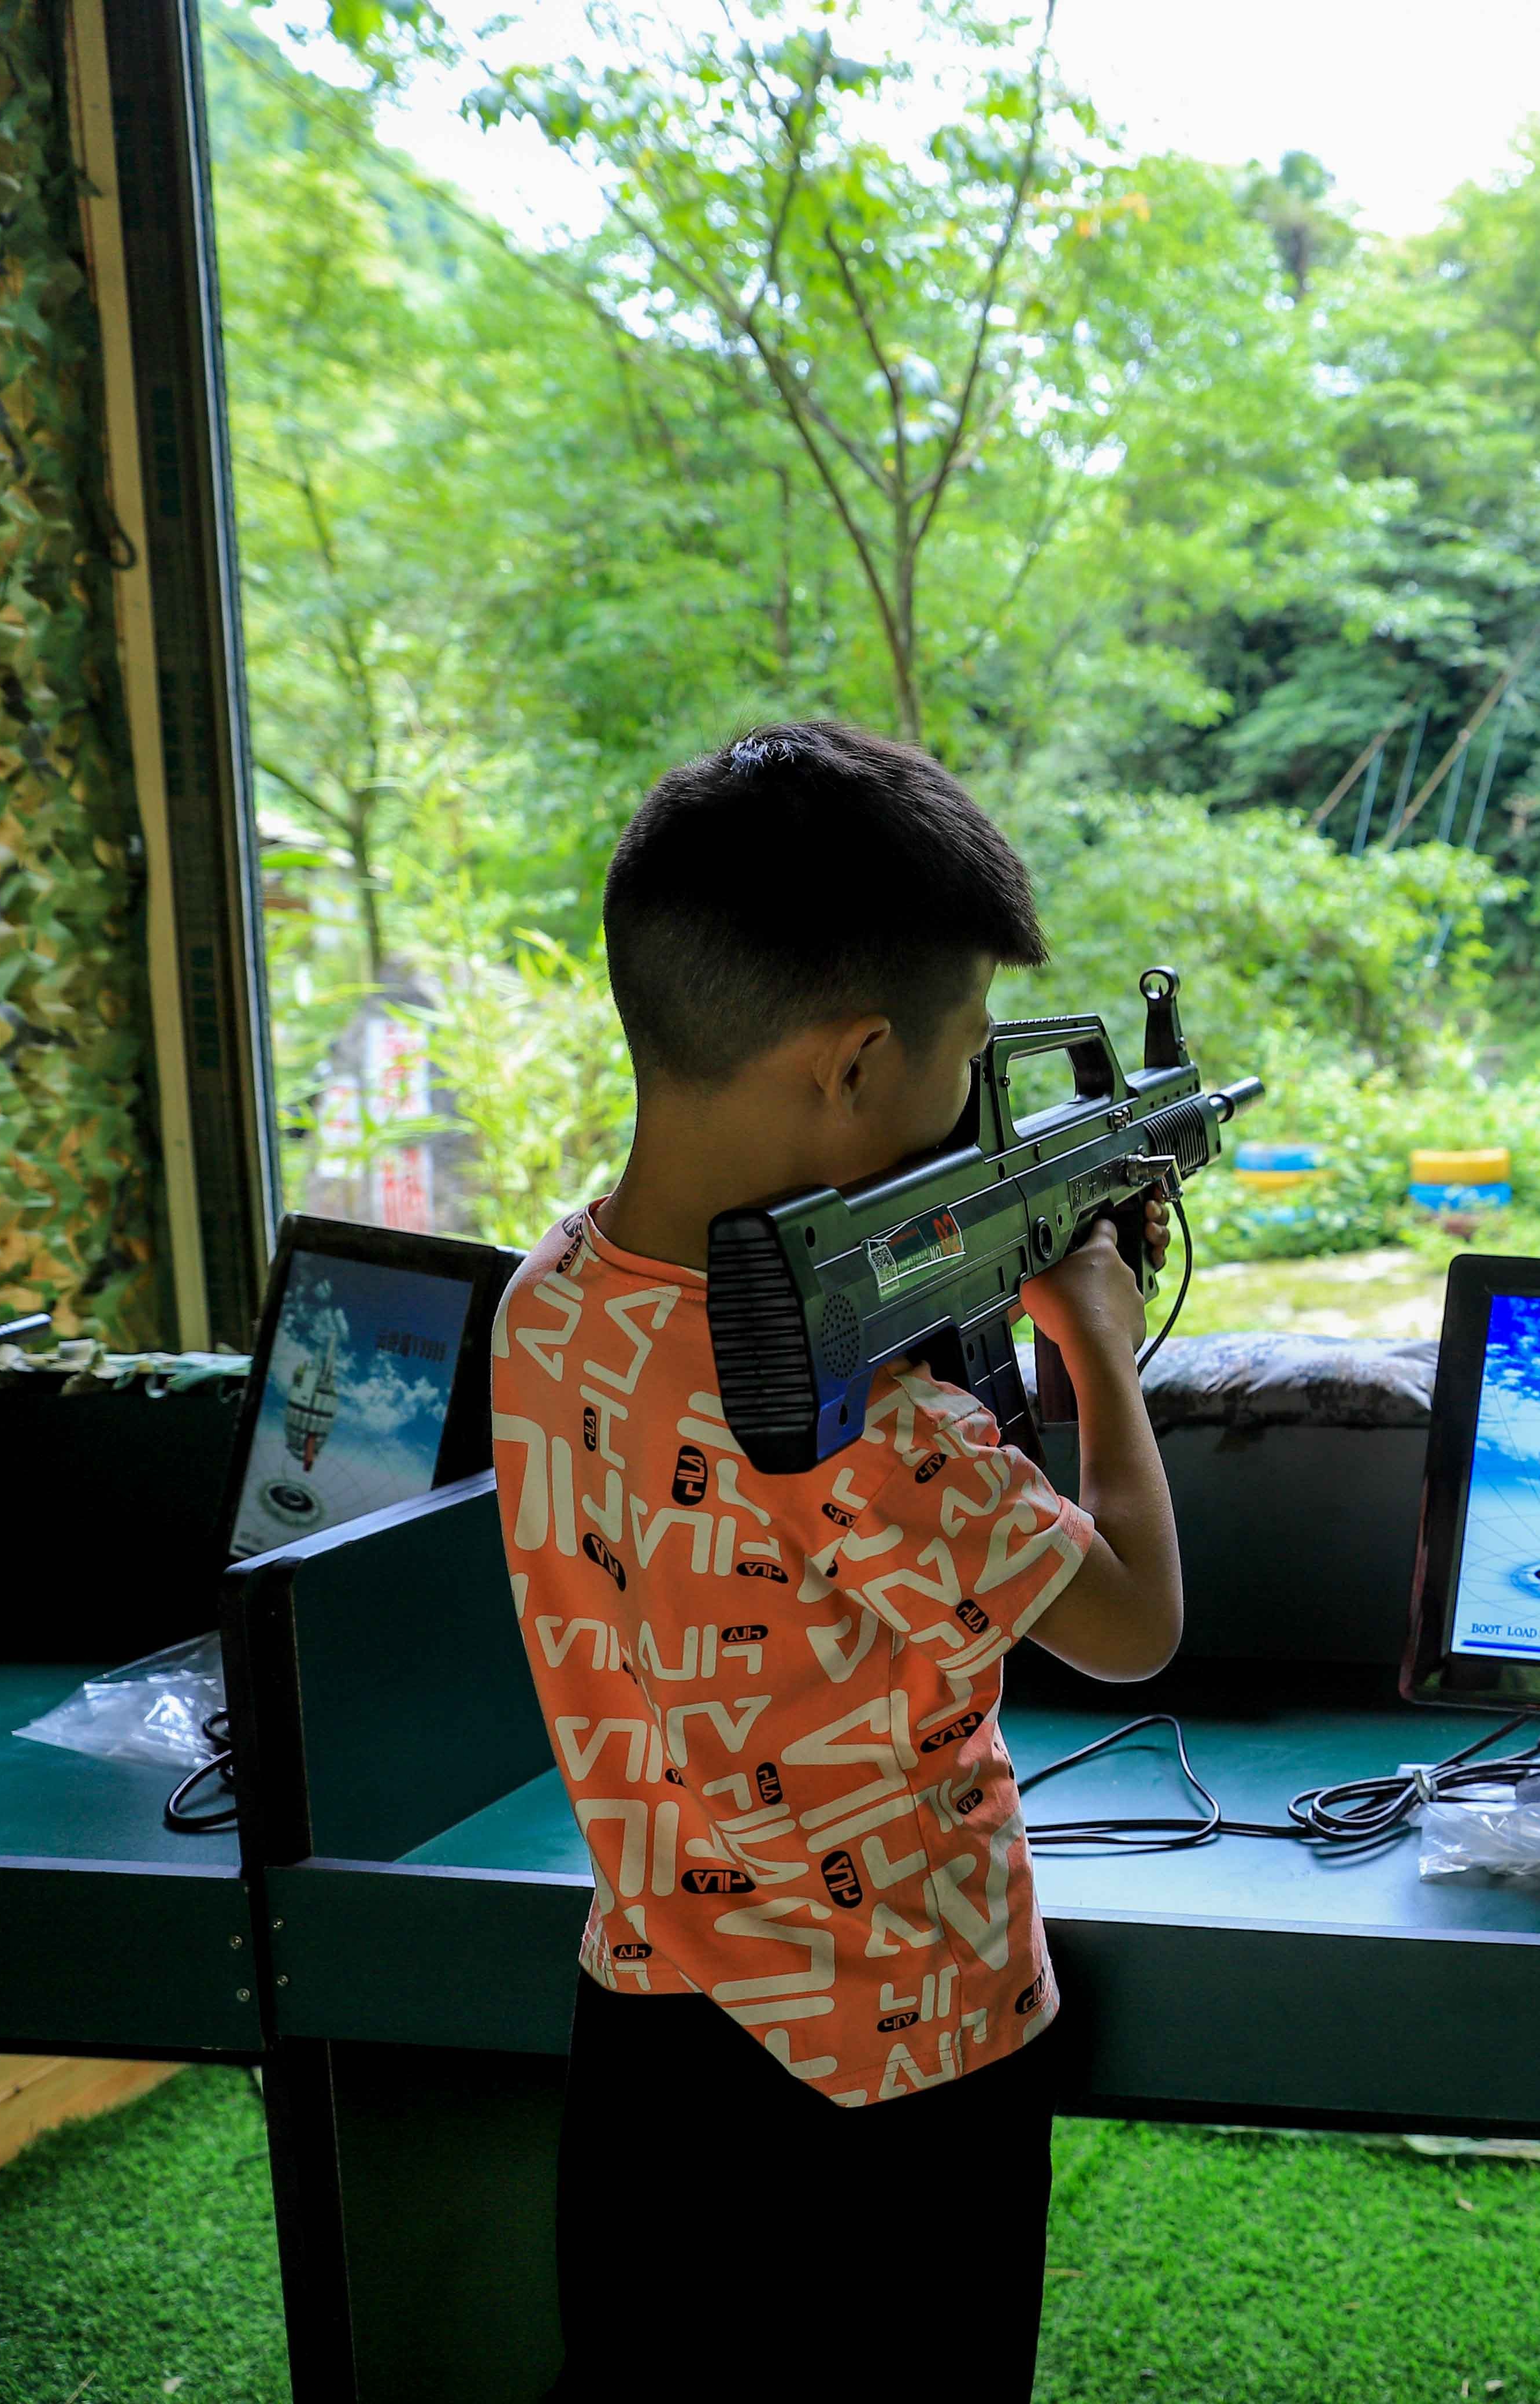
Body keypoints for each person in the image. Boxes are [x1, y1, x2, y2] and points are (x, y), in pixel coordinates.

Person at [491, 722, 1183, 2401]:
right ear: (858, 1063)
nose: (971, 1113)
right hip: (906, 2062)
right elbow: (1135, 1622)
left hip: (649, 2040)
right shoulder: (865, 1428)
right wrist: (1093, 1336)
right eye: (967, 1070)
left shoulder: (545, 1299)